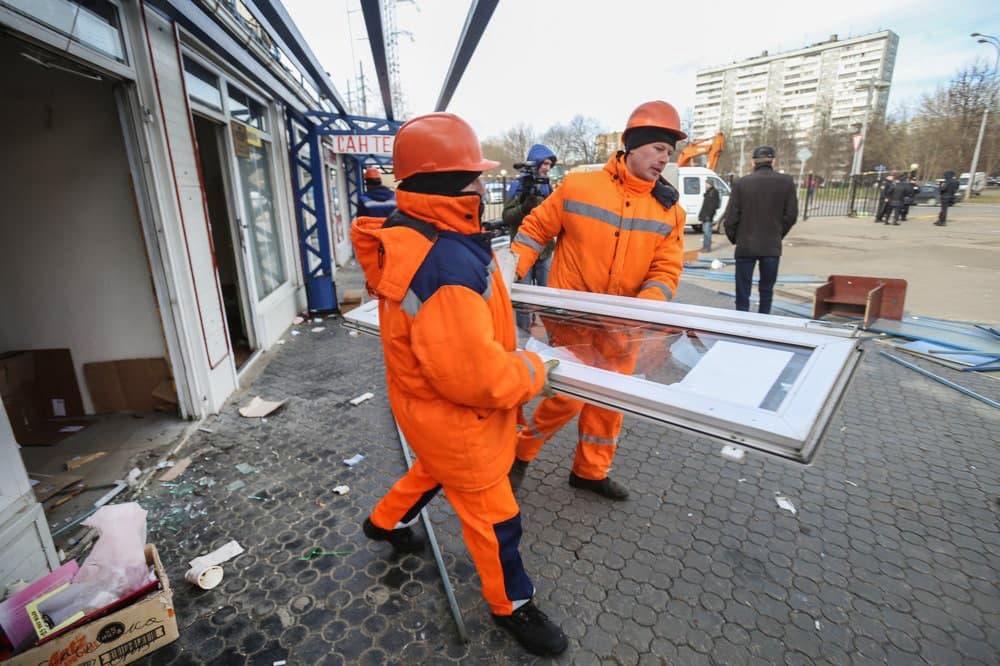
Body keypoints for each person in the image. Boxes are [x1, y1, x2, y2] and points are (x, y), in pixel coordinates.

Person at [350, 112, 567, 658]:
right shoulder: (443, 258)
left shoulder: (422, 232)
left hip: (428, 411)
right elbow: (478, 378)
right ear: (446, 183)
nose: (480, 185)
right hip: (460, 418)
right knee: (496, 522)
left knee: (431, 468)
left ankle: (384, 522)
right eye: (472, 176)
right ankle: (511, 606)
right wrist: (537, 370)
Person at [507, 100, 687, 501]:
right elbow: (536, 229)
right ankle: (520, 453)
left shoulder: (670, 211)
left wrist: (644, 308)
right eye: (659, 148)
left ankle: (590, 471)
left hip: (624, 329)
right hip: (572, 322)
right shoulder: (579, 186)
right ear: (633, 145)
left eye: (669, 153)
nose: (664, 159)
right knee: (568, 396)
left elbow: (666, 268)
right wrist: (509, 274)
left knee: (609, 403)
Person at [723, 145, 798, 314]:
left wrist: (736, 238)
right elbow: (791, 215)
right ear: (773, 161)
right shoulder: (786, 182)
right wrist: (778, 232)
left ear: (752, 162)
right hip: (771, 245)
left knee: (742, 291)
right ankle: (763, 321)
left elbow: (730, 219)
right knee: (766, 290)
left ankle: (742, 322)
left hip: (746, 245)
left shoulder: (742, 183)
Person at [502, 144, 557, 331]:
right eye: (545, 163)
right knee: (523, 301)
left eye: (550, 164)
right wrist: (524, 207)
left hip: (545, 251)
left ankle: (552, 336)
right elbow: (507, 217)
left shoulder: (547, 186)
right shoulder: (517, 186)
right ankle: (523, 338)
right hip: (522, 249)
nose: (547, 168)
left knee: (548, 299)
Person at [698, 179, 721, 252]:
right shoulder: (708, 192)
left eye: (706, 183)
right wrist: (701, 215)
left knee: (707, 232)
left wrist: (709, 215)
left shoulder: (714, 192)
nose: (705, 185)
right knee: (705, 231)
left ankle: (707, 248)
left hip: (708, 216)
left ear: (710, 184)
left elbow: (713, 205)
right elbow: (704, 206)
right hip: (705, 215)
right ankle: (704, 246)